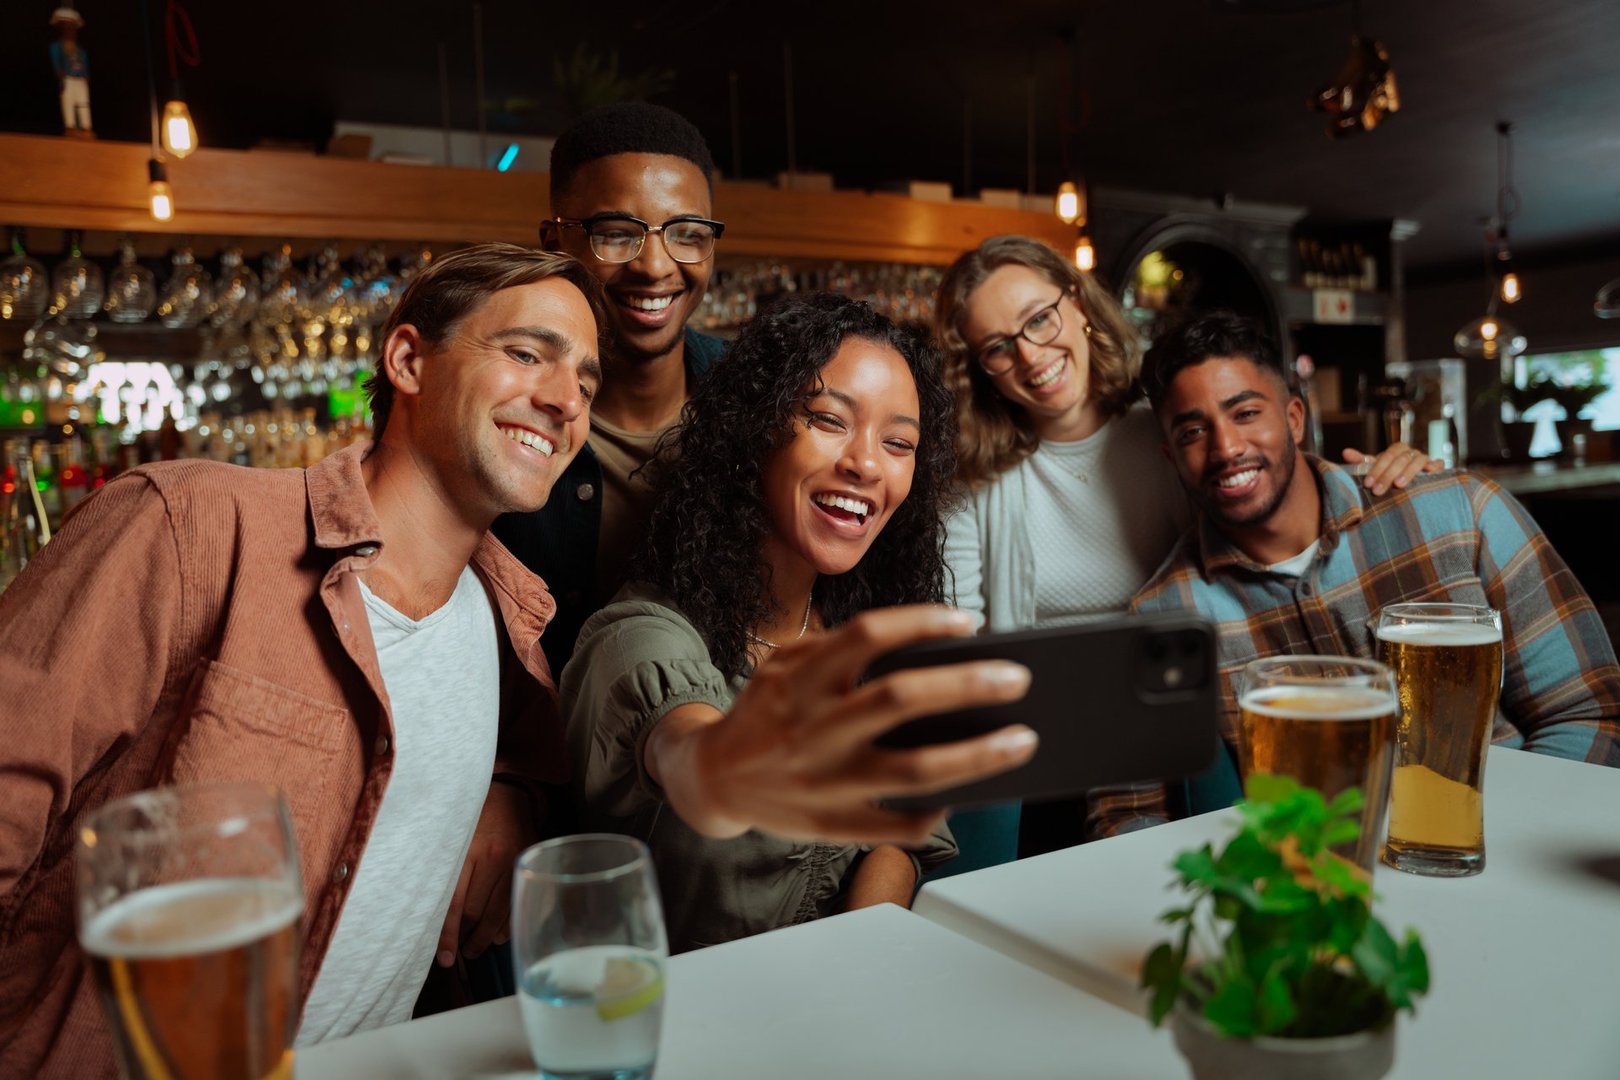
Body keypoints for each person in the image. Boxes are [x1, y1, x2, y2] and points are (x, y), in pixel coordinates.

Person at [0, 244, 608, 1074]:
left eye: (586, 379)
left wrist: (512, 794)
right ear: (407, 360)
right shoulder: (188, 529)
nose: (565, 398)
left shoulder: (514, 626)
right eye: (527, 353)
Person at [932, 235, 1432, 870]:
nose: (1031, 356)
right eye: (999, 348)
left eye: (1039, 319)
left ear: (1079, 305)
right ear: (979, 367)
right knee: (977, 785)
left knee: (1206, 751)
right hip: (1041, 733)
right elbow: (960, 644)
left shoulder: (1175, 428)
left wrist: (1390, 469)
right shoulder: (973, 477)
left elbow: (1274, 486)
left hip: (1181, 713)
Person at [563, 293, 1037, 953]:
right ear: (753, 430)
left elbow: (899, 837)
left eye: (898, 442)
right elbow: (690, 757)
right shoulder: (640, 635)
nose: (867, 464)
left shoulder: (864, 631)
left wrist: (853, 960)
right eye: (828, 419)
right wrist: (728, 768)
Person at [1089, 310, 1620, 837]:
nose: (1226, 448)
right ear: (1171, 457)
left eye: (1246, 413)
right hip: (1319, 895)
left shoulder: (1459, 513)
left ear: (1295, 418)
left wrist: (1503, 837)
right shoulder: (1163, 618)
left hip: (1504, 842)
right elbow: (1127, 813)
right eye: (1193, 431)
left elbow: (1588, 712)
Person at [494, 102, 729, 675]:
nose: (654, 267)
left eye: (688, 234)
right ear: (554, 241)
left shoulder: (762, 402)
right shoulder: (496, 406)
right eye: (618, 235)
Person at [49, 6, 93, 136]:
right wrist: (60, 76)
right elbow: (56, 61)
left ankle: (86, 127)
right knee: (68, 102)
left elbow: (85, 64)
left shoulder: (81, 50)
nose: (69, 30)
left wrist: (86, 77)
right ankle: (70, 127)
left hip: (80, 79)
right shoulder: (57, 47)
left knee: (83, 103)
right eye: (66, 26)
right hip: (67, 78)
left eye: (72, 27)